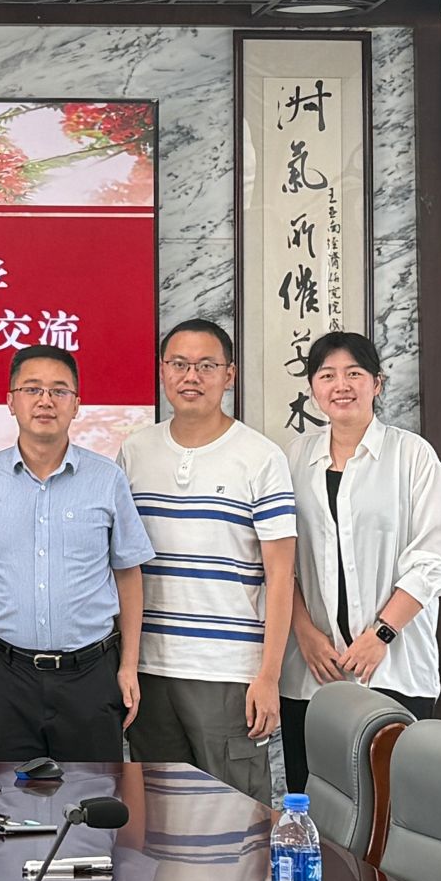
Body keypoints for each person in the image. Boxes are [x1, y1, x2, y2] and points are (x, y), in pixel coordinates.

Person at [117, 318, 295, 803]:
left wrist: (268, 676)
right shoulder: (134, 452)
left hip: (228, 673)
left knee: (236, 814)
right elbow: (120, 564)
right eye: (178, 364)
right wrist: (126, 663)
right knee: (157, 811)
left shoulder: (260, 457)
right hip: (149, 669)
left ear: (229, 375)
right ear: (162, 371)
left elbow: (282, 575)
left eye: (206, 365)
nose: (190, 376)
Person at [0, 344, 153, 762]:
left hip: (91, 675)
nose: (45, 401)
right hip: (5, 676)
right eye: (32, 389)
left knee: (95, 797)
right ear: (11, 401)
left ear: (76, 404)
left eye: (59, 391)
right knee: (2, 795)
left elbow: (128, 574)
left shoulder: (107, 479)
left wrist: (128, 666)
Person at [279, 331, 441, 792]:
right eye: (327, 375)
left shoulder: (413, 456)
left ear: (377, 383)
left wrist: (381, 635)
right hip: (312, 669)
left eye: (354, 373)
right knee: (313, 801)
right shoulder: (294, 457)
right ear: (313, 388)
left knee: (391, 806)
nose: (341, 385)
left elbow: (430, 560)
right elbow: (280, 561)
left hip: (393, 666)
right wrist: (304, 633)